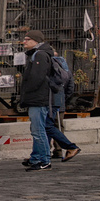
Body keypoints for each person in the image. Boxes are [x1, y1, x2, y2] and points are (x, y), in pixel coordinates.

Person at [18, 32, 79, 169]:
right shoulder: (39, 54)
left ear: (36, 41)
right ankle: (37, 158)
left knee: (39, 130)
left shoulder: (40, 55)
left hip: (39, 99)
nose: (24, 42)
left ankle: (44, 160)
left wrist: (27, 92)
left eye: (27, 39)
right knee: (42, 128)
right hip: (42, 98)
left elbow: (36, 78)